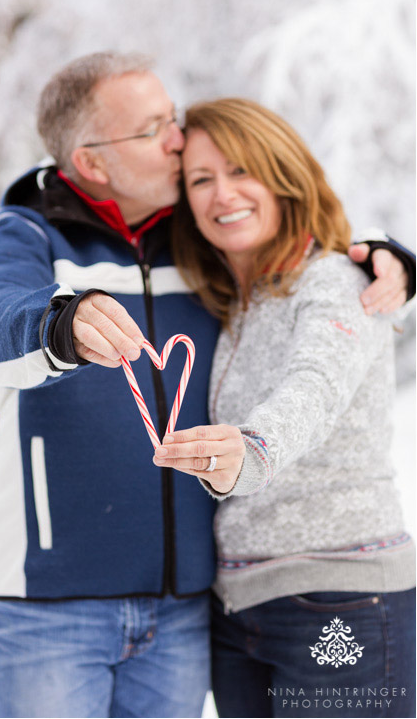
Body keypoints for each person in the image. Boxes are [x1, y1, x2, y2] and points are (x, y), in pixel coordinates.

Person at [0, 51, 415, 718]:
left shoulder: (199, 242)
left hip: (188, 607)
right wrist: (61, 322)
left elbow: (312, 306)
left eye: (171, 119)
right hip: (51, 603)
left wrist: (389, 258)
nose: (176, 138)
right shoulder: (30, 236)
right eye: (153, 131)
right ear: (92, 162)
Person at [149, 97, 415, 718]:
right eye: (201, 180)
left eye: (242, 170)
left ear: (284, 174)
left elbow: (315, 384)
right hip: (239, 607)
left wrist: (253, 448)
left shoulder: (336, 281)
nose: (222, 195)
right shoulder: (230, 304)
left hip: (339, 592)